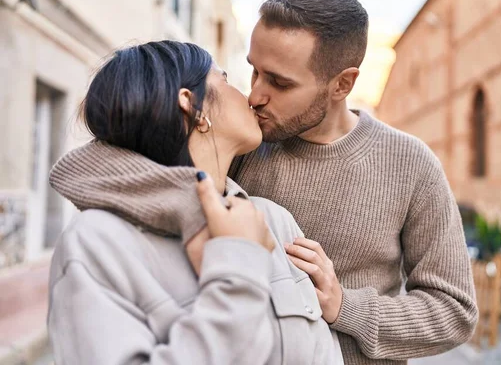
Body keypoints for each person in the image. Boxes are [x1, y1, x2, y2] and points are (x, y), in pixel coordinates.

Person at [47, 41, 343, 364]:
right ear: (191, 104)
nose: (252, 97)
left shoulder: (272, 220)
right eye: (225, 79)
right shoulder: (97, 243)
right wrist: (238, 267)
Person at [228, 0, 478, 364]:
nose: (255, 95)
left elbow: (454, 311)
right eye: (254, 71)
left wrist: (347, 307)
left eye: (279, 82)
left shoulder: (410, 164)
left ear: (342, 84)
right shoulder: (243, 141)